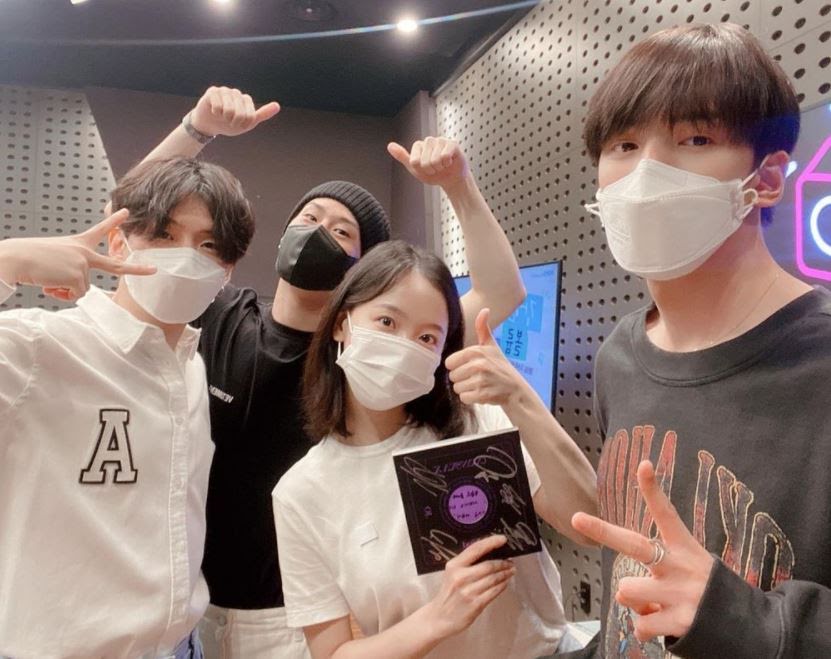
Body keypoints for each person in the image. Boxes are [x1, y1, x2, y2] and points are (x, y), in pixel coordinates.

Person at [138, 87, 528, 658]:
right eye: (310, 218)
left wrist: (457, 185)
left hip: (303, 618)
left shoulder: (368, 348)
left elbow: (500, 292)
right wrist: (196, 129)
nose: (319, 231)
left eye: (342, 231)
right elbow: (135, 224)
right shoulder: (219, 314)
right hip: (193, 607)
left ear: (359, 270)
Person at [566, 23, 831, 657]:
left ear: (768, 178)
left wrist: (739, 617)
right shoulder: (619, 357)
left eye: (696, 139)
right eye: (625, 145)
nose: (647, 172)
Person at [272, 239, 598, 658]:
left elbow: (587, 523)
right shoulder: (301, 493)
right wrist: (439, 618)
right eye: (387, 322)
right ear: (341, 323)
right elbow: (332, 653)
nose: (404, 346)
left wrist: (519, 397)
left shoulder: (477, 422)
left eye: (427, 337)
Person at [0, 156, 255, 658]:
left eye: (208, 245)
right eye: (165, 235)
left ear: (226, 271)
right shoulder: (39, 347)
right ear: (118, 242)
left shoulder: (192, 369)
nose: (186, 257)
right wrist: (5, 262)